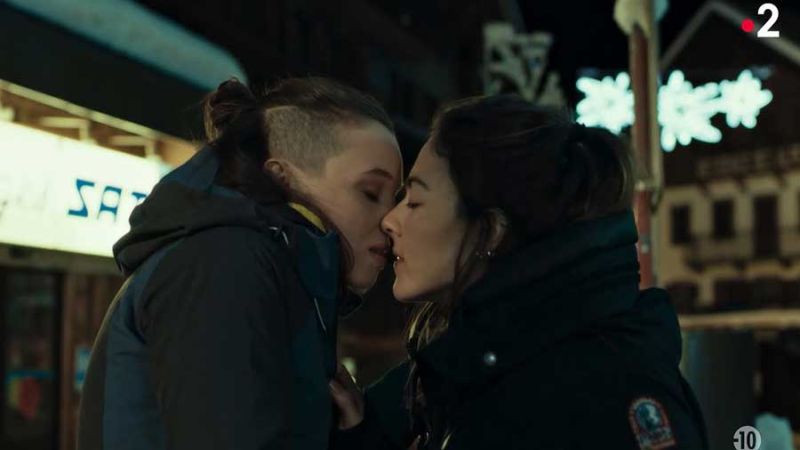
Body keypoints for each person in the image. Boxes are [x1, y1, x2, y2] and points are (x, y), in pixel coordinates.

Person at [329, 95, 708, 449]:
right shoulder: (474, 365)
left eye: (415, 201)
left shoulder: (592, 388)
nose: (390, 221)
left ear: (491, 230)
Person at [77, 77, 402, 450]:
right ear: (283, 178)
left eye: (396, 198)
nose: (391, 219)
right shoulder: (225, 262)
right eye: (370, 193)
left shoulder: (266, 268)